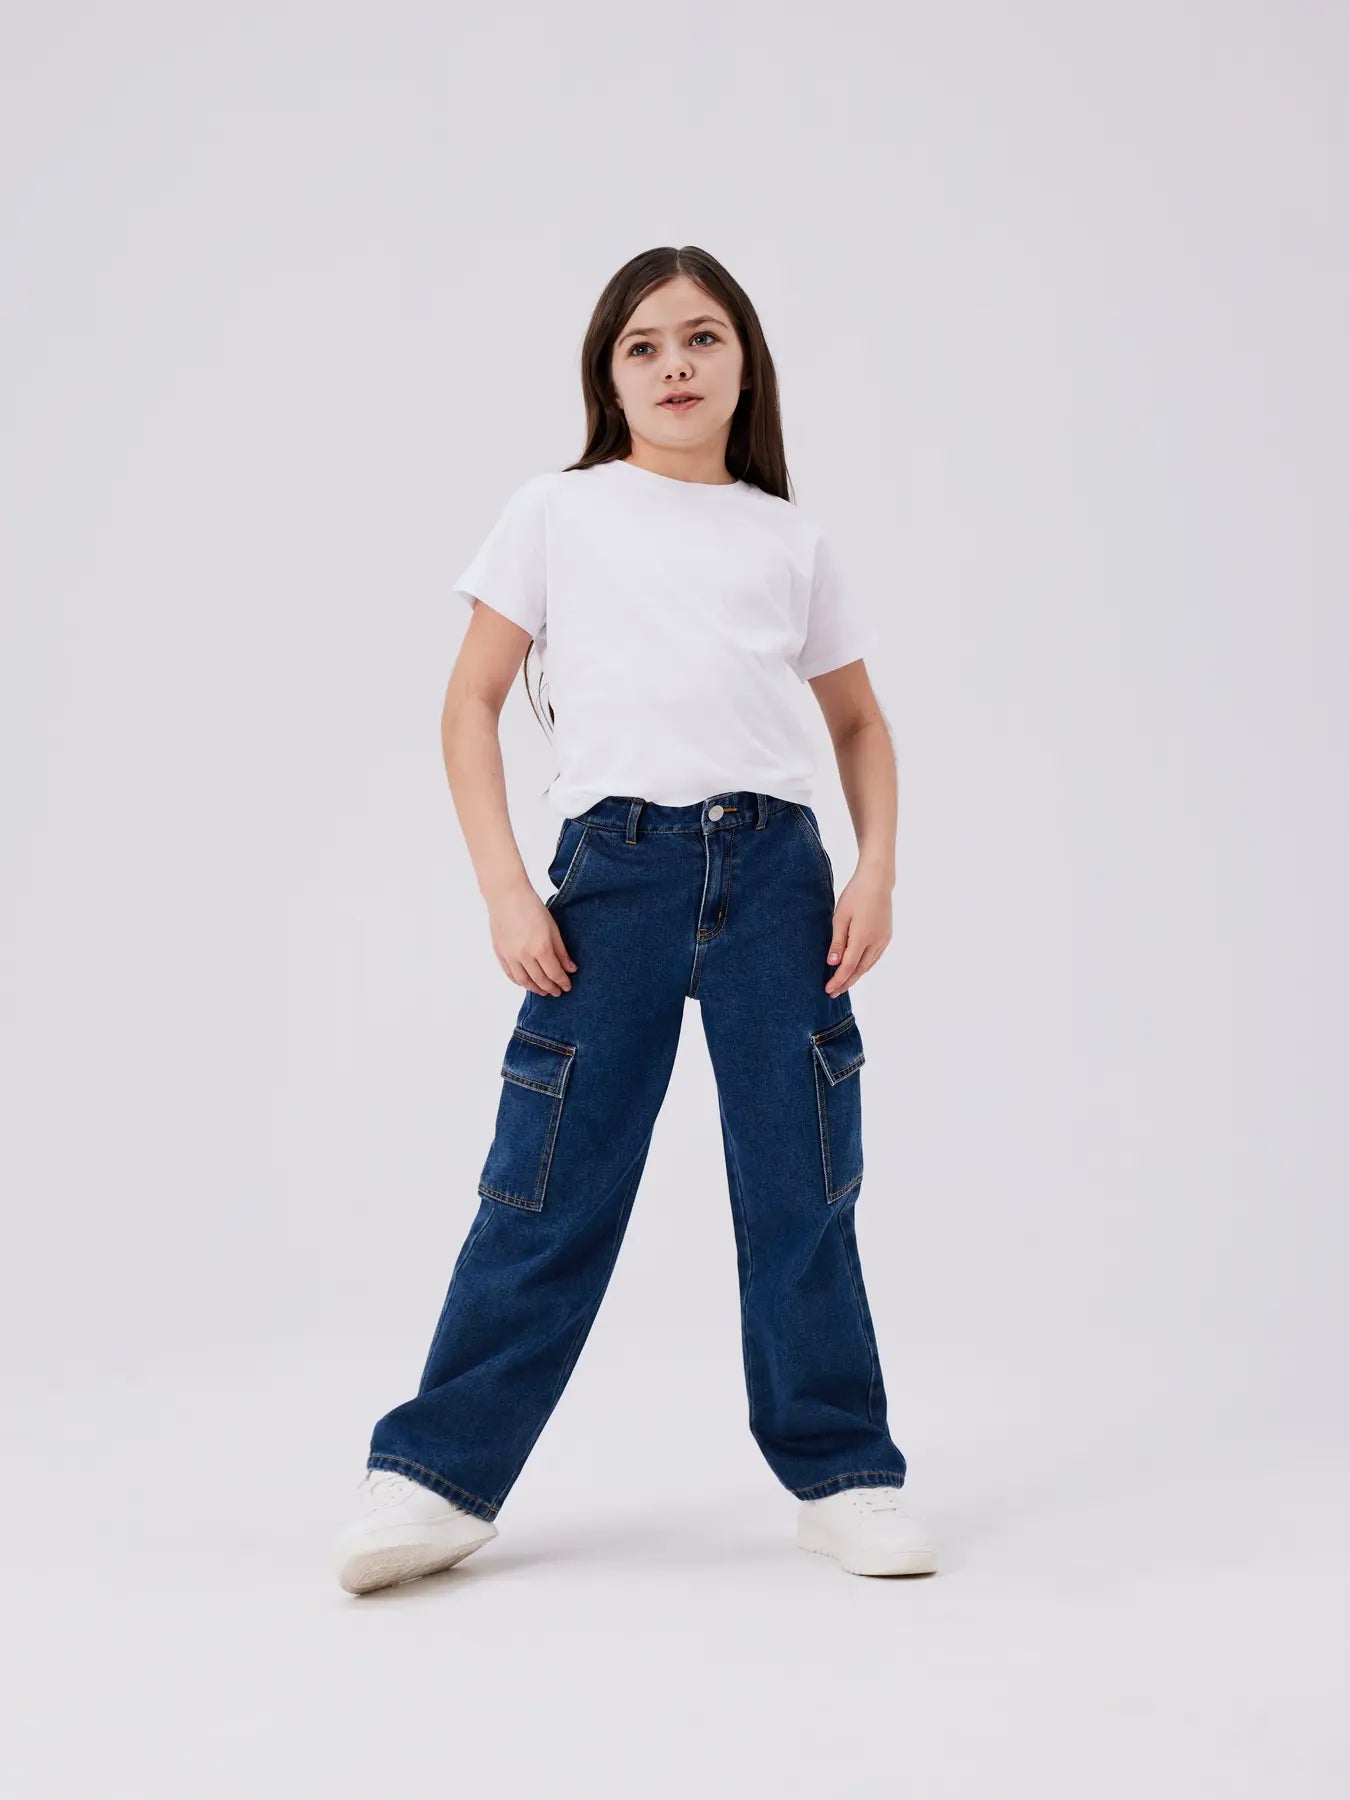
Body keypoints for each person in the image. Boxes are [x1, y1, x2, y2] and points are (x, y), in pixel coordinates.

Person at [334, 245, 938, 1594]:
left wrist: (875, 870)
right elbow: (468, 703)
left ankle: (844, 1475)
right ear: (608, 376)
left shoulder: (788, 538)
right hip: (613, 874)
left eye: (703, 337)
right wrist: (506, 887)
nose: (675, 364)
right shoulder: (558, 511)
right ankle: (434, 1478)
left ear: (744, 364)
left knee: (801, 1185)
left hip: (778, 879)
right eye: (643, 345)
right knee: (546, 1182)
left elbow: (856, 722)